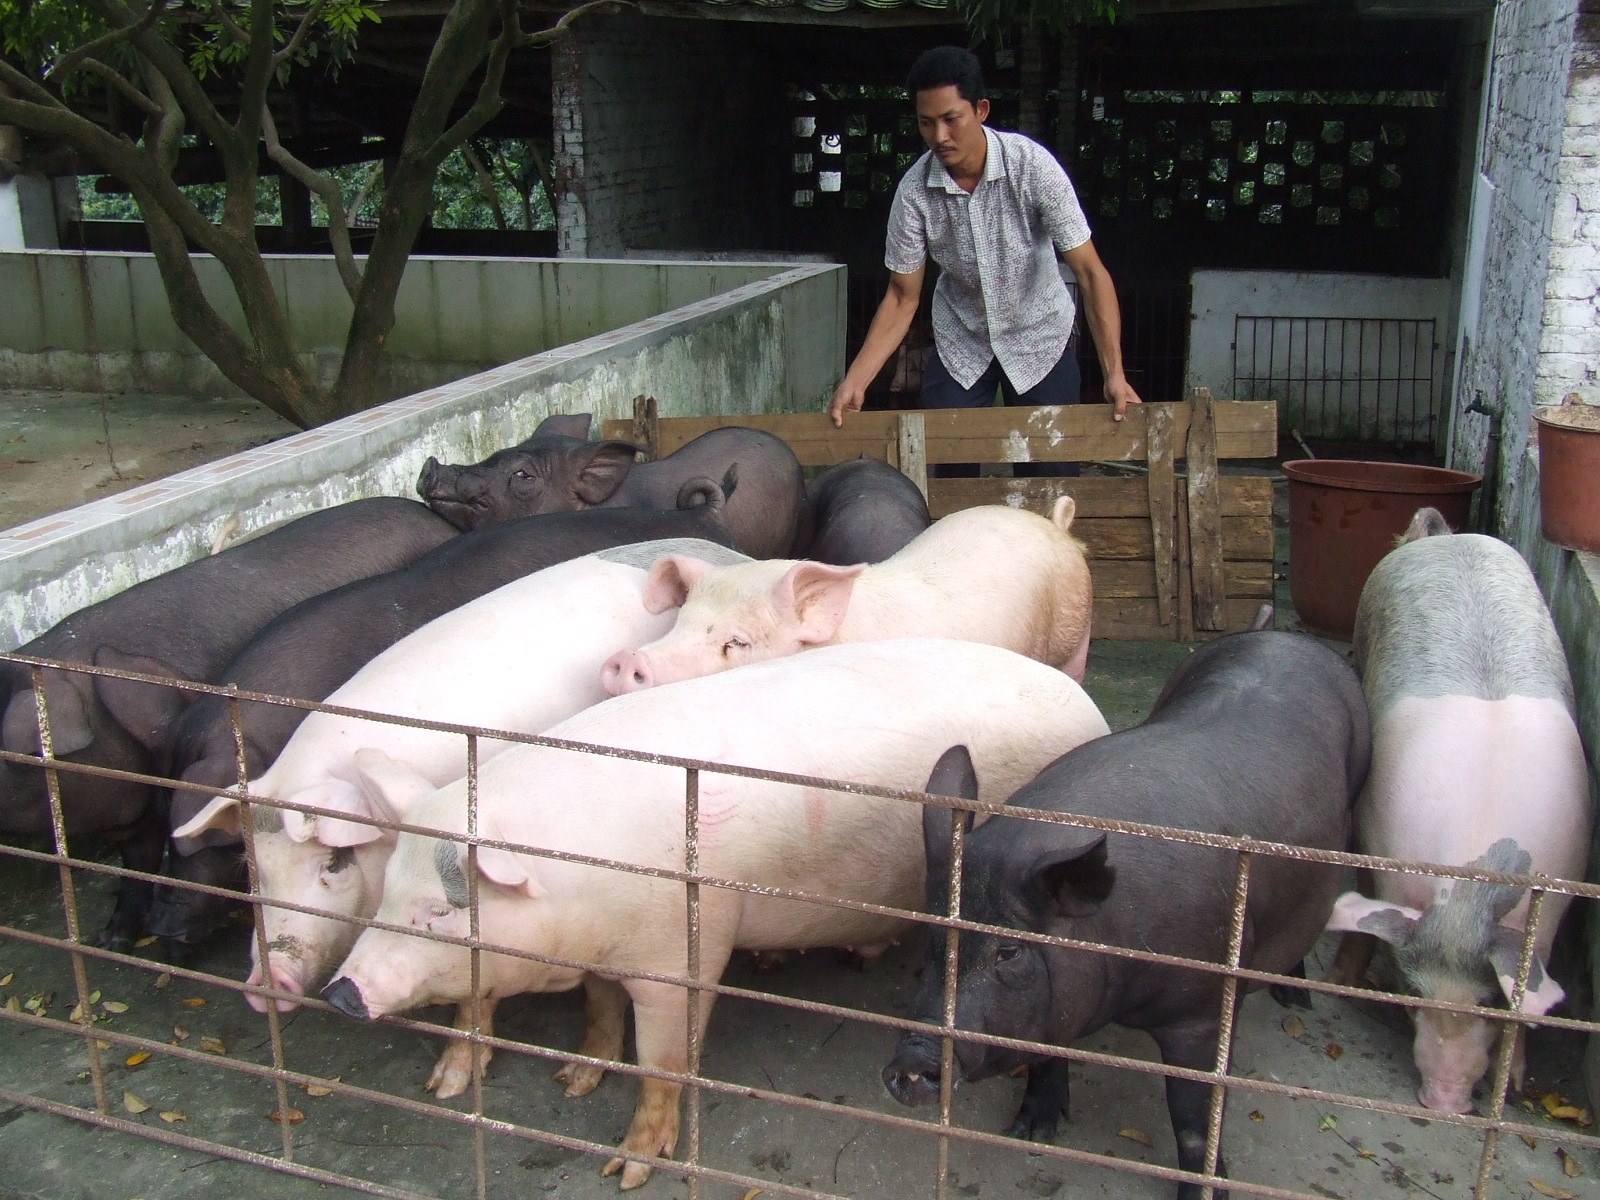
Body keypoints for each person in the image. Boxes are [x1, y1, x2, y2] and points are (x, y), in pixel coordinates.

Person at [827, 46, 1142, 476]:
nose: (939, 136)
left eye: (951, 119)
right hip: (962, 341)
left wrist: (1114, 374)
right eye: (926, 122)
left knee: (1050, 479)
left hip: (1039, 338)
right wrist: (856, 380)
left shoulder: (1032, 167)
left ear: (981, 110)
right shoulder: (914, 192)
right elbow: (902, 296)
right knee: (948, 472)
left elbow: (1089, 272)